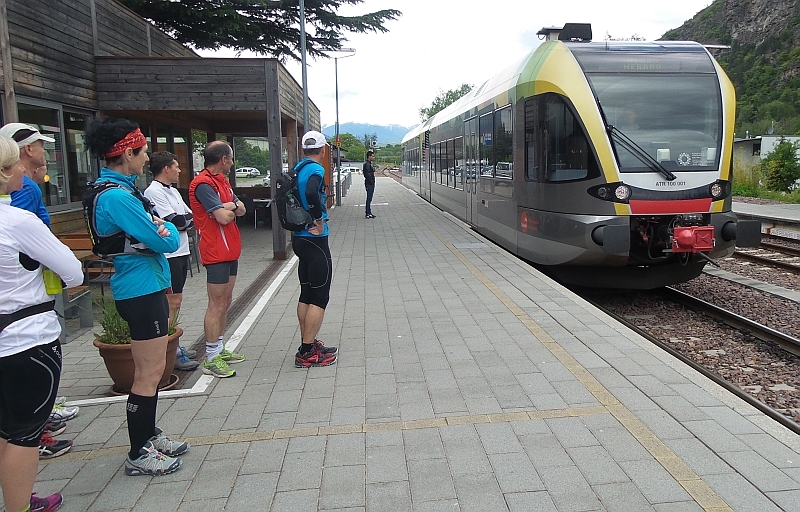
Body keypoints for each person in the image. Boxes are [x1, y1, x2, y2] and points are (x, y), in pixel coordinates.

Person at [84, 117, 188, 477]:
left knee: (155, 369)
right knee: (147, 372)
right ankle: (138, 451)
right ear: (127, 153)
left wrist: (160, 229)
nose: (147, 159)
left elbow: (156, 235)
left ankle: (150, 434)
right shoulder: (118, 197)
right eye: (143, 153)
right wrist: (167, 228)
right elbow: (166, 240)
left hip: (144, 284)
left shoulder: (117, 190)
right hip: (140, 289)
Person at [0, 135, 84, 512]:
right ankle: (20, 505)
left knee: (5, 426)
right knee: (25, 434)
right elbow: (72, 270)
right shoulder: (18, 221)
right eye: (17, 163)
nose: (24, 170)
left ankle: (16, 496)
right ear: (4, 173)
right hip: (26, 339)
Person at [188, 141, 246, 378]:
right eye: (231, 158)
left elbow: (241, 208)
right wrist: (231, 208)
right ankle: (211, 357)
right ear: (223, 159)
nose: (232, 163)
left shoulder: (222, 181)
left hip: (230, 250)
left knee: (226, 301)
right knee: (216, 303)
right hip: (216, 251)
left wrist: (231, 205)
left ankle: (219, 348)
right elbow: (222, 217)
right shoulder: (203, 184)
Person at [143, 152, 199, 372]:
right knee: (170, 303)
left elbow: (191, 217)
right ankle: (170, 350)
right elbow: (176, 221)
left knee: (177, 300)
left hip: (182, 251)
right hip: (169, 255)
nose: (179, 170)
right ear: (166, 168)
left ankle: (173, 343)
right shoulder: (153, 192)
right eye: (176, 166)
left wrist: (186, 222)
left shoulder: (173, 190)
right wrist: (185, 222)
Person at [293, 131, 338, 368]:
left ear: (303, 149)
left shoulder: (298, 168)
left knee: (306, 293)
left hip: (299, 238)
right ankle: (308, 352)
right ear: (322, 150)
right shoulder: (316, 170)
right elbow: (312, 193)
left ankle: (306, 343)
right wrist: (319, 219)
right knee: (320, 297)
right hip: (315, 240)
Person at [0, 123, 54, 228]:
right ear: (28, 149)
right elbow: (13, 230)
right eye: (41, 146)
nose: (44, 151)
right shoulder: (25, 187)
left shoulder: (9, 182)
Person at [363, 150, 376, 219]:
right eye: (372, 156)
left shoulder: (368, 164)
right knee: (369, 198)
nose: (374, 157)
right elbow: (367, 174)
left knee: (369, 198)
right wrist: (372, 182)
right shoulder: (367, 164)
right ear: (369, 156)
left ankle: (369, 212)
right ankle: (368, 213)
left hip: (369, 183)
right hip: (369, 184)